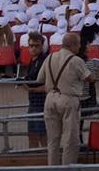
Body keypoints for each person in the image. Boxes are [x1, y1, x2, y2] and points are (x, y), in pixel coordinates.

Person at [36, 32, 93, 166]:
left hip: (50, 98)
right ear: (73, 45)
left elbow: (40, 79)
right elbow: (89, 78)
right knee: (70, 139)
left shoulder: (49, 57)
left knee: (52, 140)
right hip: (68, 98)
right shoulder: (76, 60)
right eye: (78, 44)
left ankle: (52, 167)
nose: (79, 47)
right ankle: (68, 167)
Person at [23, 31, 48, 149]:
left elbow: (51, 84)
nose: (33, 48)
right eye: (31, 45)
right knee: (32, 134)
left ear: (42, 46)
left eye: (36, 45)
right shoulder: (32, 61)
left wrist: (34, 90)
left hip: (42, 103)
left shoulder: (44, 61)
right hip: (32, 103)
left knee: (43, 135)